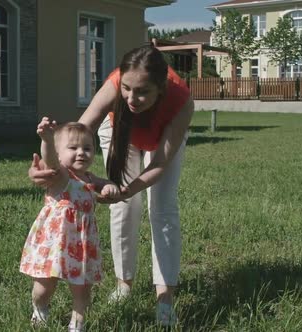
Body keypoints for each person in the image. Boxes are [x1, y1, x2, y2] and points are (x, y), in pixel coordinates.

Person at [29, 45, 194, 326]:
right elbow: (78, 133)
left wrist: (128, 189)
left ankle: (165, 298)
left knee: (162, 208)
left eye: (142, 92)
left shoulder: (180, 100)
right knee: (125, 208)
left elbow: (159, 166)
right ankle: (124, 284)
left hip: (161, 140)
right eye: (127, 89)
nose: (132, 98)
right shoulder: (116, 83)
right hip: (120, 131)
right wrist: (46, 169)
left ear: (160, 89)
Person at [20, 119, 119, 331]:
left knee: (82, 288)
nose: (81, 152)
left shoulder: (91, 177)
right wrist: (46, 139)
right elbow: (50, 161)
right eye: (73, 148)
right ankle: (40, 307)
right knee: (44, 286)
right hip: (54, 242)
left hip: (81, 245)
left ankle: (78, 324)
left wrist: (110, 187)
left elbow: (106, 184)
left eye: (87, 148)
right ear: (59, 153)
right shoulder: (62, 175)